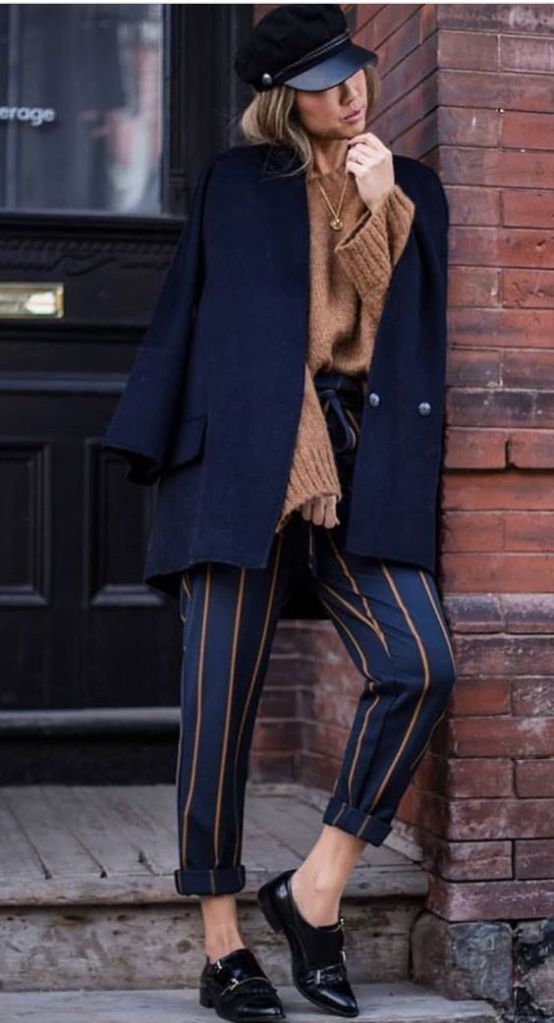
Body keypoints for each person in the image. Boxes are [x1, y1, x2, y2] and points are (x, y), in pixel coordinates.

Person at [102, 5, 456, 1021]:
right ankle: (221, 947)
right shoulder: (236, 184)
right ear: (282, 101)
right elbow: (189, 317)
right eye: (322, 81)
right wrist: (159, 454)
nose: (348, 91)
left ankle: (315, 891)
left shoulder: (413, 188)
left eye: (353, 70)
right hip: (241, 467)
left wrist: (380, 209)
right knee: (218, 709)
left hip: (361, 467)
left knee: (420, 664)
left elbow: (404, 331)